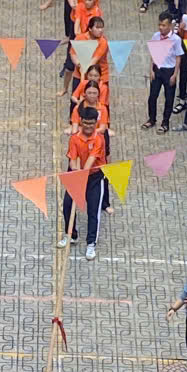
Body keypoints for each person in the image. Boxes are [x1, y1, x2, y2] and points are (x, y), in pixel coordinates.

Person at [57, 104, 106, 260]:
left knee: (93, 210)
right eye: (85, 123)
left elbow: (91, 160)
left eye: (91, 123)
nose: (88, 126)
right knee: (67, 204)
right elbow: (72, 159)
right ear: (81, 121)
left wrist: (83, 172)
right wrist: (75, 170)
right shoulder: (74, 138)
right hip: (77, 174)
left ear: (95, 123)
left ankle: (91, 243)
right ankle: (71, 235)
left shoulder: (99, 139)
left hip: (94, 177)